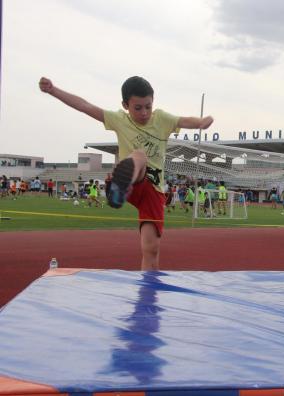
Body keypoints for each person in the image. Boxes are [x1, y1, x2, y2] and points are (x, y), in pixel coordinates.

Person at [39, 76, 214, 270]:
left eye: (148, 106)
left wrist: (201, 122)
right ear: (125, 105)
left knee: (151, 249)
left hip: (154, 191)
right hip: (134, 179)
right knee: (139, 155)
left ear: (153, 102)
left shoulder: (162, 119)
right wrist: (54, 90)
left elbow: (183, 120)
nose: (144, 112)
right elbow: (84, 106)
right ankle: (121, 185)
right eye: (137, 108)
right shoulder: (119, 120)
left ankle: (148, 293)